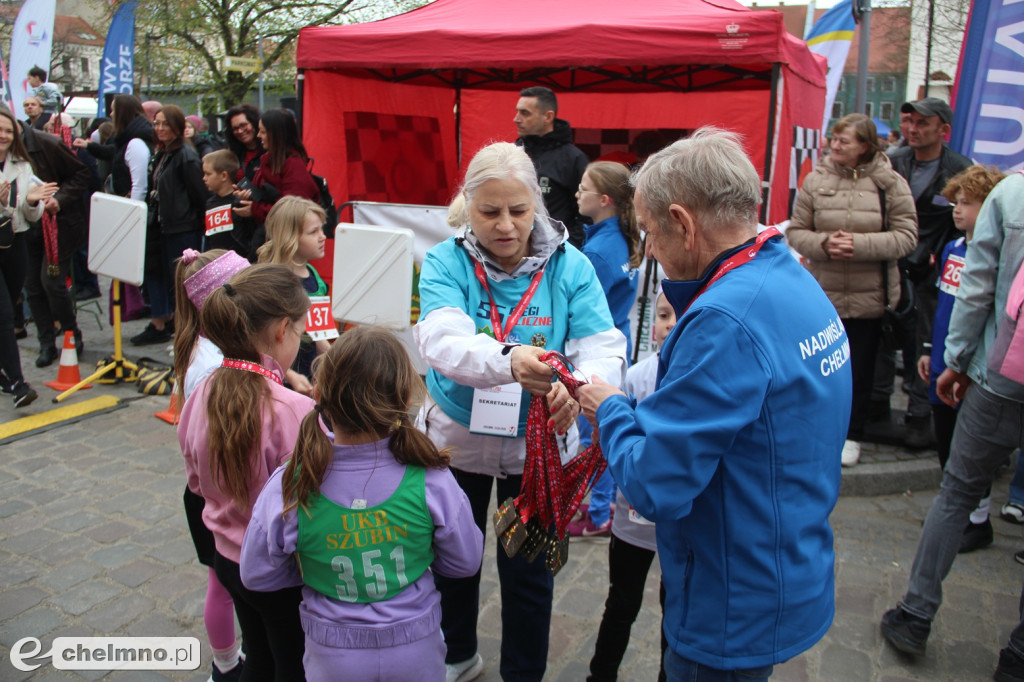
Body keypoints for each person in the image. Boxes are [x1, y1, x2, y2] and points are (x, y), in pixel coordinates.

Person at [577, 127, 852, 682]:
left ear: (683, 222)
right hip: (781, 560)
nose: (649, 249)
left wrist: (610, 408)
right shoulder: (787, 272)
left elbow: (656, 484)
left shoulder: (723, 319)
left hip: (731, 594)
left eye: (651, 232)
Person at [413, 141, 626, 682]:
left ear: (538, 203)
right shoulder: (444, 260)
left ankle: (523, 673)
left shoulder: (571, 265)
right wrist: (511, 361)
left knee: (529, 571)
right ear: (468, 205)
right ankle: (456, 653)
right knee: (453, 557)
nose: (505, 226)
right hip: (456, 440)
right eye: (489, 212)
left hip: (540, 452)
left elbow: (602, 344)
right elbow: (440, 340)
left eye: (518, 210)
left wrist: (576, 386)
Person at [240, 326, 484, 682]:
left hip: (332, 654)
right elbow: (465, 562)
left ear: (321, 394)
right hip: (417, 647)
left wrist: (310, 567)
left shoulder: (293, 481)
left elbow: (257, 572)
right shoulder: (431, 479)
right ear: (402, 400)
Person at [880, 171, 1024, 682]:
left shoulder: (1012, 194)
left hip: (1000, 376)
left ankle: (915, 614)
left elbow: (977, 288)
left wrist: (954, 362)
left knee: (956, 492)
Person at [178, 263, 313, 681]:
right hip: (280, 573)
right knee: (294, 661)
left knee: (258, 655)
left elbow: (195, 482)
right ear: (281, 331)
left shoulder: (201, 390)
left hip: (226, 559)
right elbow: (308, 506)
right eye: (301, 332)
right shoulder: (294, 410)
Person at [786, 113, 917, 467]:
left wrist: (860, 245)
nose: (835, 144)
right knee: (814, 368)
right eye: (834, 138)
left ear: (865, 146)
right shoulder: (815, 180)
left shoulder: (890, 183)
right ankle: (811, 430)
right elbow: (796, 231)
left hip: (868, 297)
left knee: (858, 370)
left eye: (845, 140)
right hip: (821, 294)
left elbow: (907, 236)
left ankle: (852, 434)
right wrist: (825, 243)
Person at [915, 165, 1005, 554]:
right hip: (942, 359)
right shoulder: (952, 248)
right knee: (946, 439)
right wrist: (928, 349)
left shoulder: (997, 258)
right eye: (956, 202)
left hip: (970, 368)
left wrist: (966, 362)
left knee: (969, 449)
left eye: (967, 203)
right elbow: (939, 306)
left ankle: (977, 519)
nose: (957, 210)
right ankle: (954, 512)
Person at [586, 290, 674, 682]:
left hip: (676, 524)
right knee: (621, 602)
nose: (670, 323)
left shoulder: (702, 378)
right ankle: (600, 674)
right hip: (632, 520)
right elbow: (615, 440)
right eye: (663, 315)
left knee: (677, 611)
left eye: (680, 314)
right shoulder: (638, 375)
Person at [172, 248, 251, 682]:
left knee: (221, 581)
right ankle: (224, 667)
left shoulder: (209, 346)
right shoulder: (211, 364)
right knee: (222, 584)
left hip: (213, 484)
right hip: (220, 487)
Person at [880, 97, 972, 448]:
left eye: (922, 123)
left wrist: (940, 264)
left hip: (934, 273)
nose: (912, 129)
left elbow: (963, 228)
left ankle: (921, 415)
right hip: (891, 265)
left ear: (943, 130)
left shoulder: (959, 169)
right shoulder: (893, 162)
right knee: (884, 336)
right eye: (909, 121)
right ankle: (877, 404)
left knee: (924, 342)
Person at [568, 160, 641, 537]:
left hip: (595, 354)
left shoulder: (597, 253)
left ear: (606, 199)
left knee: (592, 434)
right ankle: (604, 503)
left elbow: (579, 308)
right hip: (618, 341)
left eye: (584, 188)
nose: (577, 193)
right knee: (602, 428)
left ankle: (598, 514)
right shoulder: (620, 239)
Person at [132, 104, 207, 346]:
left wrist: (191, 222)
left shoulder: (185, 155)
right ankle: (179, 330)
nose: (160, 128)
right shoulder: (164, 152)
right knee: (171, 281)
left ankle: (189, 334)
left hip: (182, 229)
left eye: (165, 123)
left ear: (177, 126)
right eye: (157, 123)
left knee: (185, 283)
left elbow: (200, 195)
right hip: (164, 226)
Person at [21, 116, 93, 367]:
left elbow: (82, 174)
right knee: (32, 285)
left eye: (5, 130)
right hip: (27, 227)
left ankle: (72, 336)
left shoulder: (46, 143)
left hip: (59, 225)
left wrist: (59, 199)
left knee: (50, 281)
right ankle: (47, 343)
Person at [0, 105, 58, 407]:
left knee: (9, 304)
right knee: (6, 316)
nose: (4, 135)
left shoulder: (21, 165)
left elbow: (29, 214)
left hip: (14, 243)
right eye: (0, 129)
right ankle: (17, 383)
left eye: (9, 130)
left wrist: (34, 202)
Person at [257, 195, 328, 384]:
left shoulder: (313, 276)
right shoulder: (274, 282)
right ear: (289, 237)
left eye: (322, 229)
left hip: (309, 369)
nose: (323, 237)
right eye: (313, 232)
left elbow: (319, 332)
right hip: (280, 375)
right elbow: (259, 341)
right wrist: (289, 375)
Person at [514, 87, 590, 249]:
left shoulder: (573, 159)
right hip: (512, 251)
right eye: (517, 112)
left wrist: (566, 248)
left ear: (548, 116)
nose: (516, 119)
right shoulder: (512, 152)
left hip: (554, 253)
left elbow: (586, 214)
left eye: (525, 113)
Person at [235, 108, 318, 227]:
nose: (258, 136)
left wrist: (255, 210)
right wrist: (247, 196)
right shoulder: (270, 160)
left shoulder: (293, 166)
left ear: (275, 134)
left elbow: (293, 209)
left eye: (262, 132)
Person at [202, 149, 255, 257]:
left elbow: (250, 235)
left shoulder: (241, 201)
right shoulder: (210, 204)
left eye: (208, 174)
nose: (204, 178)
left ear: (224, 176)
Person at [223, 104, 263, 184]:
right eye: (235, 128)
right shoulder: (232, 156)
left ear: (254, 123)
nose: (240, 131)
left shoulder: (270, 152)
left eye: (243, 125)